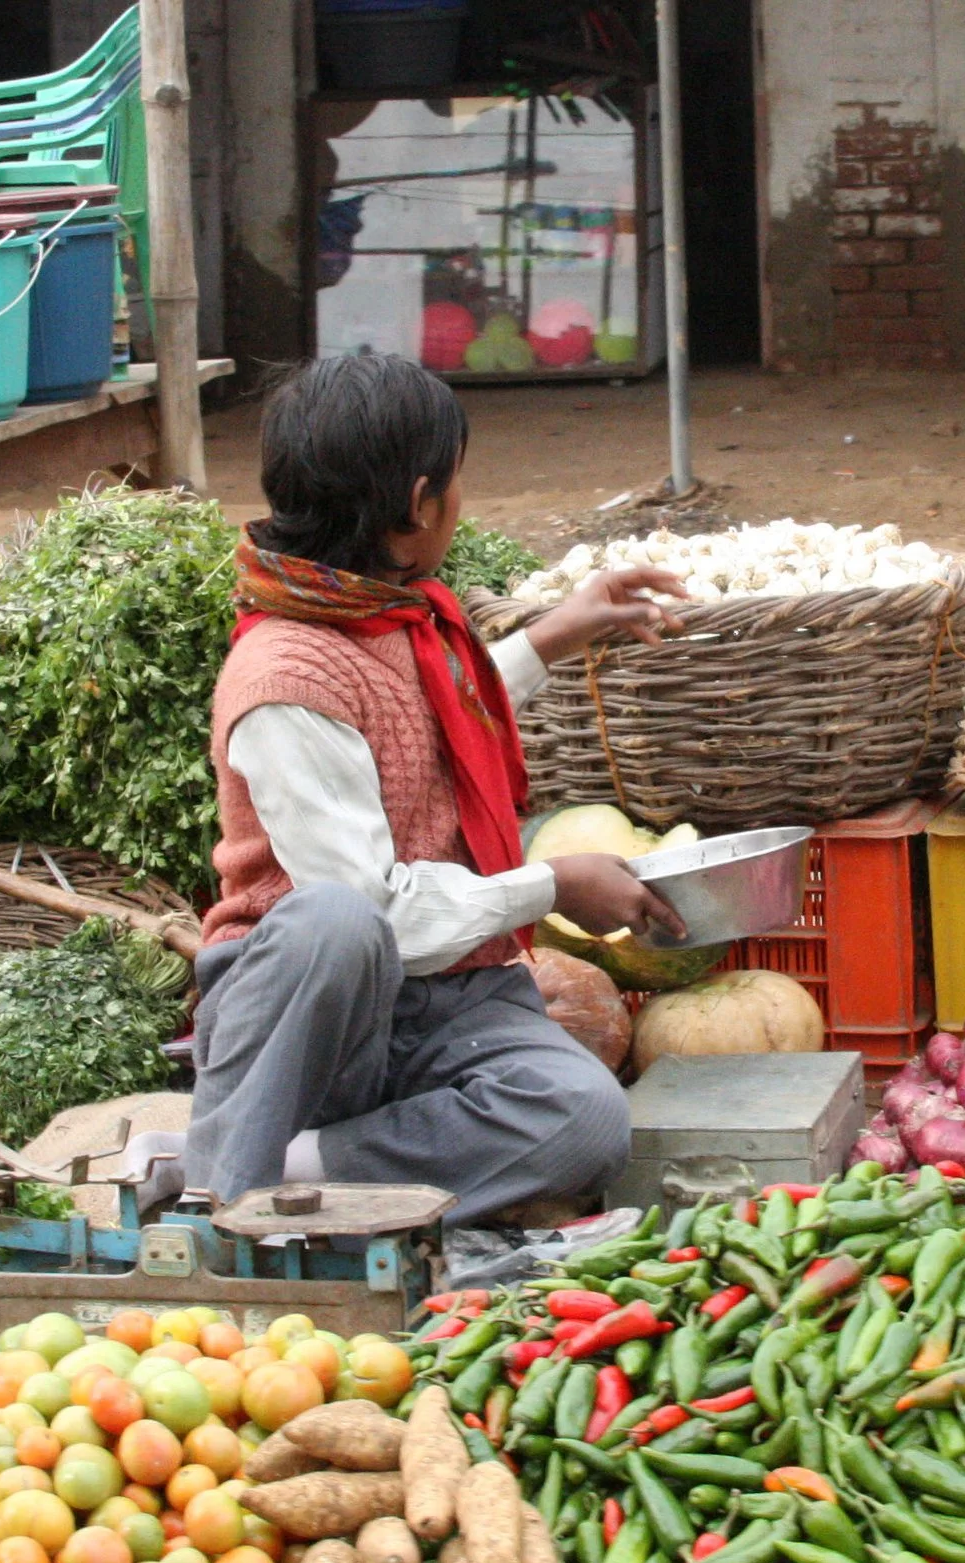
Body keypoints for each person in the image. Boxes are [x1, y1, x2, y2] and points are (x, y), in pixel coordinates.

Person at [176, 354, 687, 1225]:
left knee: (585, 1120)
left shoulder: (385, 609)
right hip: (315, 1018)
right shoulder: (286, 677)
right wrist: (558, 883)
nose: (462, 501)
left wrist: (558, 631)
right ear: (419, 505)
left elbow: (432, 715)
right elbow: (381, 913)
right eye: (456, 484)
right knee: (338, 920)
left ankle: (302, 1168)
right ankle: (222, 1186)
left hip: (445, 994)